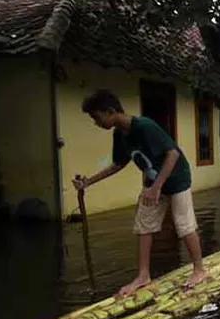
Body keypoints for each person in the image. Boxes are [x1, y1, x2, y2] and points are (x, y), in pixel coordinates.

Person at [73, 89, 207, 297]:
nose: (96, 123)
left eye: (96, 117)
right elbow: (118, 164)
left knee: (184, 224)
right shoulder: (119, 134)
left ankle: (199, 270)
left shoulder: (144, 126)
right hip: (153, 182)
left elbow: (172, 154)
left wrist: (157, 187)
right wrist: (89, 182)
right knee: (144, 225)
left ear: (110, 111)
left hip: (177, 178)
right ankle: (143, 275)